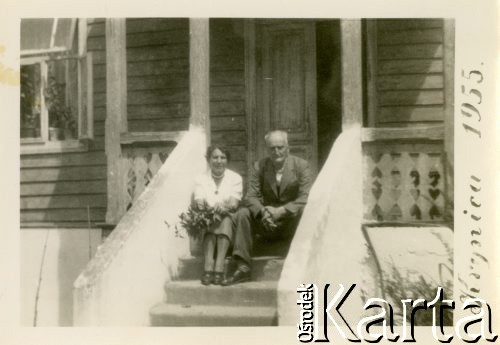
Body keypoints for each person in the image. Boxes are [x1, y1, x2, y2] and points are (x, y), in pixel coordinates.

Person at [222, 130, 313, 286]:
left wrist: (281, 211)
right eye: (272, 148)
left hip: (289, 222)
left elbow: (305, 197)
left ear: (288, 148)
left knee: (305, 211)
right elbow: (251, 196)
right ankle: (243, 267)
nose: (276, 151)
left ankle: (302, 264)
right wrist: (264, 212)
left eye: (280, 147)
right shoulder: (260, 166)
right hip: (266, 221)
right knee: (243, 213)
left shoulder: (301, 166)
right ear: (267, 149)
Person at [193, 145, 243, 285]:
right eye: (215, 157)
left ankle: (218, 265)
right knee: (210, 219)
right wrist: (210, 210)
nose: (219, 161)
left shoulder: (235, 178)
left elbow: (234, 203)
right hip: (208, 217)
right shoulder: (200, 178)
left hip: (228, 218)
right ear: (208, 159)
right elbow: (200, 202)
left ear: (227, 160)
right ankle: (209, 265)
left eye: (223, 157)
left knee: (225, 219)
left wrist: (223, 208)